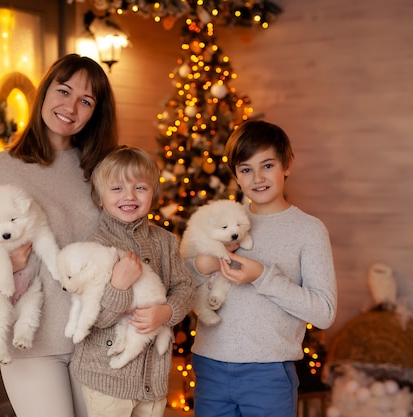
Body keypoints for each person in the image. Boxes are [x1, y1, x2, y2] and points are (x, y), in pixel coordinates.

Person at [0, 54, 119, 417]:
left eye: (86, 101)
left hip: (95, 336)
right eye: (64, 90)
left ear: (95, 112)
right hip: (33, 341)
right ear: (44, 93)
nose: (71, 106)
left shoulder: (103, 171)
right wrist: (2, 268)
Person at [187, 120, 338, 417]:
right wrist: (203, 265)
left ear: (287, 164)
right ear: (236, 176)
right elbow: (181, 286)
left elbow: (324, 311)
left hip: (269, 374)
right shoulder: (223, 219)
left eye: (267, 165)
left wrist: (262, 277)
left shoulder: (309, 230)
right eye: (245, 169)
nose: (257, 178)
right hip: (210, 365)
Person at [70, 146, 195, 417]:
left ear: (153, 193)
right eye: (117, 189)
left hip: (154, 379)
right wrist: (119, 286)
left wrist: (167, 311)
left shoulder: (165, 242)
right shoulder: (94, 248)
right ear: (100, 198)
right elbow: (95, 318)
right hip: (108, 381)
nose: (129, 196)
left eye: (140, 187)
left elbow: (185, 287)